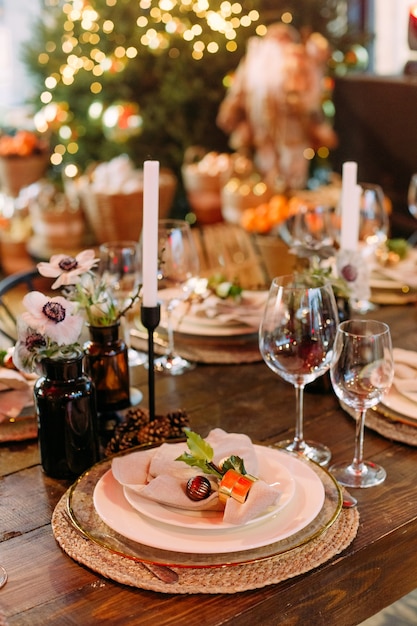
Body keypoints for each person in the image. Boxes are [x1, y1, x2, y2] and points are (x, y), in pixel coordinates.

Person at [217, 23, 338, 191]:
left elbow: (313, 95)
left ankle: (291, 208)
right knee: (265, 174)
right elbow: (239, 89)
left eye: (283, 37)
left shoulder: (299, 58)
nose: (278, 40)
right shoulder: (255, 59)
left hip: (292, 132)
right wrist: (230, 110)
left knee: (293, 174)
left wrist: (304, 107)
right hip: (262, 131)